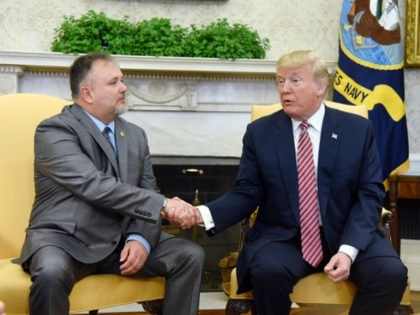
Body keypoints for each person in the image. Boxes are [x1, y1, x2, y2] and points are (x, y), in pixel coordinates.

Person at [164, 50, 408, 315]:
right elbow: (247, 193)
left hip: (347, 232)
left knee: (391, 274)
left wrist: (348, 251)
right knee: (268, 272)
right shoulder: (261, 133)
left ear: (320, 87)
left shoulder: (357, 130)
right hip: (284, 237)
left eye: (295, 80)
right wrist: (200, 213)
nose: (285, 89)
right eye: (280, 81)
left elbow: (369, 194)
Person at [17, 53, 204, 315]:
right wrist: (164, 205)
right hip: (64, 240)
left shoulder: (135, 136)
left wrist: (140, 239)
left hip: (117, 243)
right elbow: (94, 185)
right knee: (51, 271)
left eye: (122, 80)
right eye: (114, 82)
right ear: (87, 93)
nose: (124, 88)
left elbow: (147, 191)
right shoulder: (55, 131)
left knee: (188, 255)